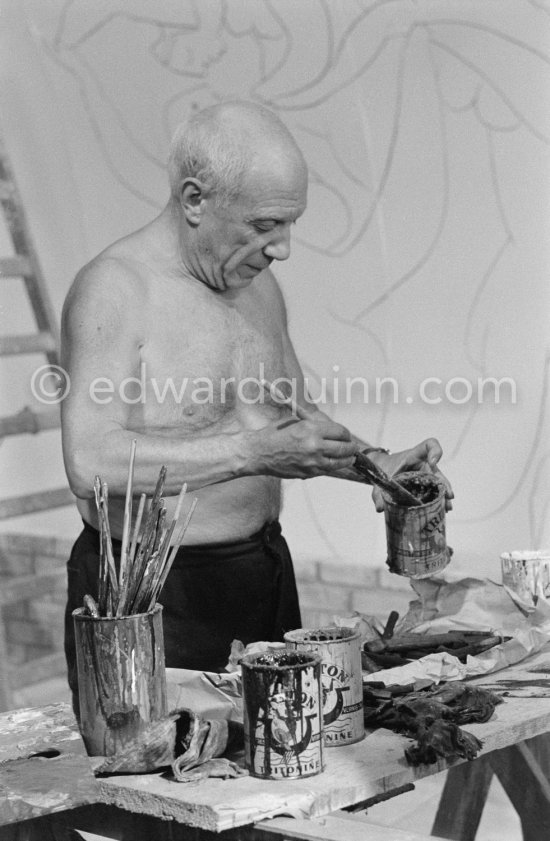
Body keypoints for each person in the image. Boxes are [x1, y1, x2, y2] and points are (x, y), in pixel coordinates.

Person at [61, 101, 451, 706]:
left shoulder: (257, 286)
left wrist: (377, 463)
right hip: (151, 594)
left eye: (289, 224)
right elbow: (90, 462)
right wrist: (251, 452)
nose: (283, 248)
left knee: (281, 777)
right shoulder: (115, 288)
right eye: (265, 224)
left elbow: (290, 422)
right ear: (195, 200)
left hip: (263, 573)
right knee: (160, 788)